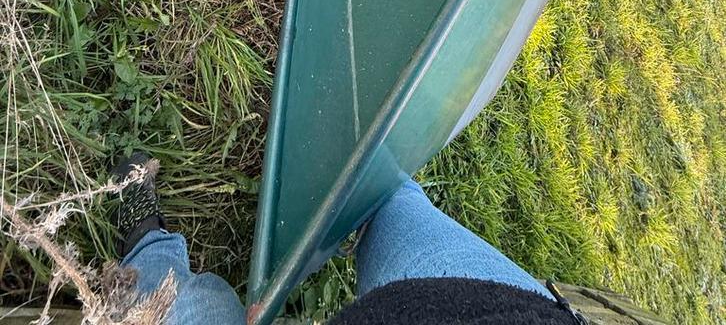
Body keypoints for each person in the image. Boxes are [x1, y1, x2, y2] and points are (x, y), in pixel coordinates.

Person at [114, 153, 587, 324]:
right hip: (496, 307)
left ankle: (145, 244)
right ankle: (342, 163)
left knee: (197, 304)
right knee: (389, 189)